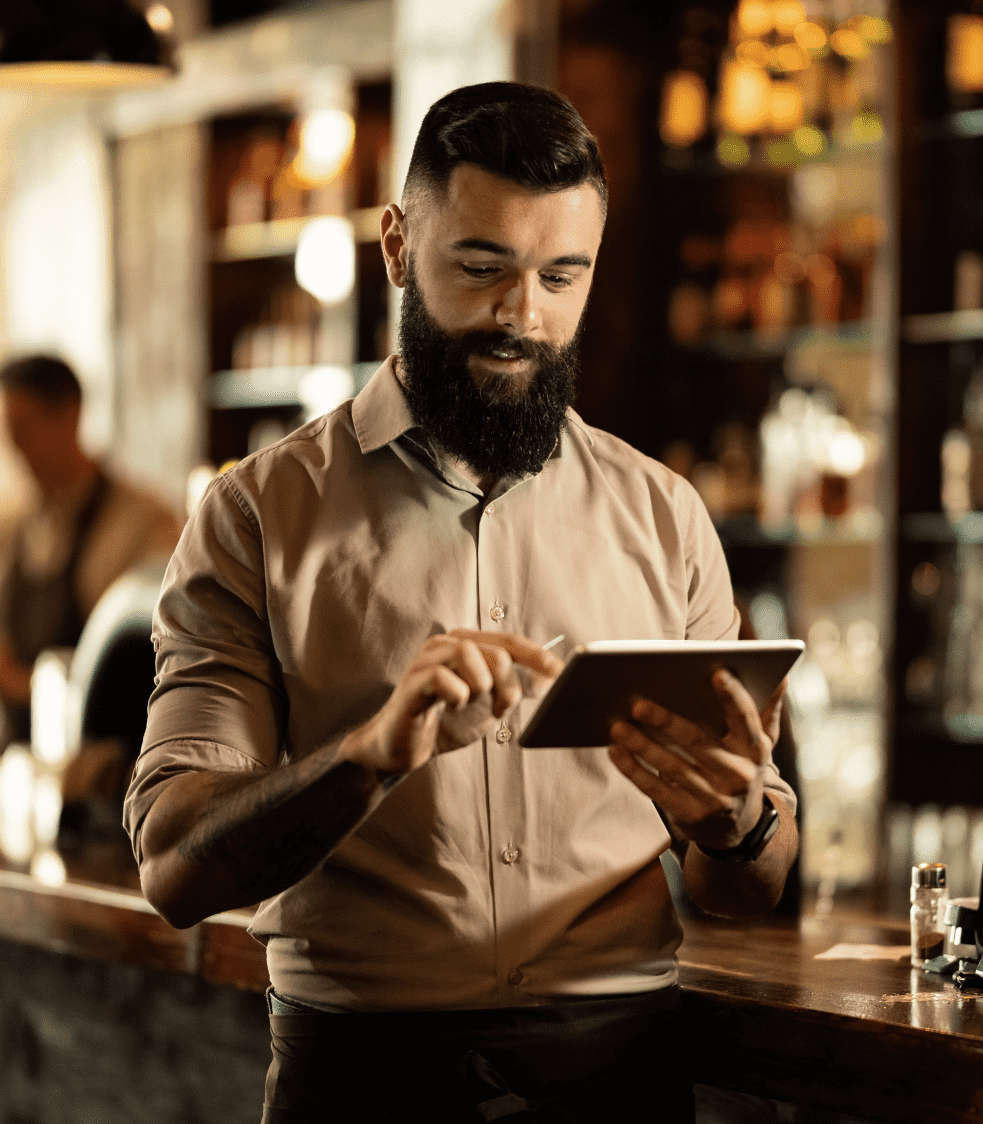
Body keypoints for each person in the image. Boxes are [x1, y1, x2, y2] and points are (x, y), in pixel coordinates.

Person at [124, 82, 798, 1123]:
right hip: (359, 1076)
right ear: (396, 244)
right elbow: (172, 865)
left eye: (559, 276)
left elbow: (744, 891)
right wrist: (368, 756)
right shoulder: (253, 514)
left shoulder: (665, 517)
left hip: (620, 1074)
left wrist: (736, 818)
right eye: (480, 268)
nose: (520, 317)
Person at [0, 354, 182, 746]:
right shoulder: (13, 522)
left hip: (103, 753)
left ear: (70, 414)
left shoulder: (144, 522)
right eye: (8, 429)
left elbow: (152, 657)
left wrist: (33, 687)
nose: (14, 445)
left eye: (24, 428)